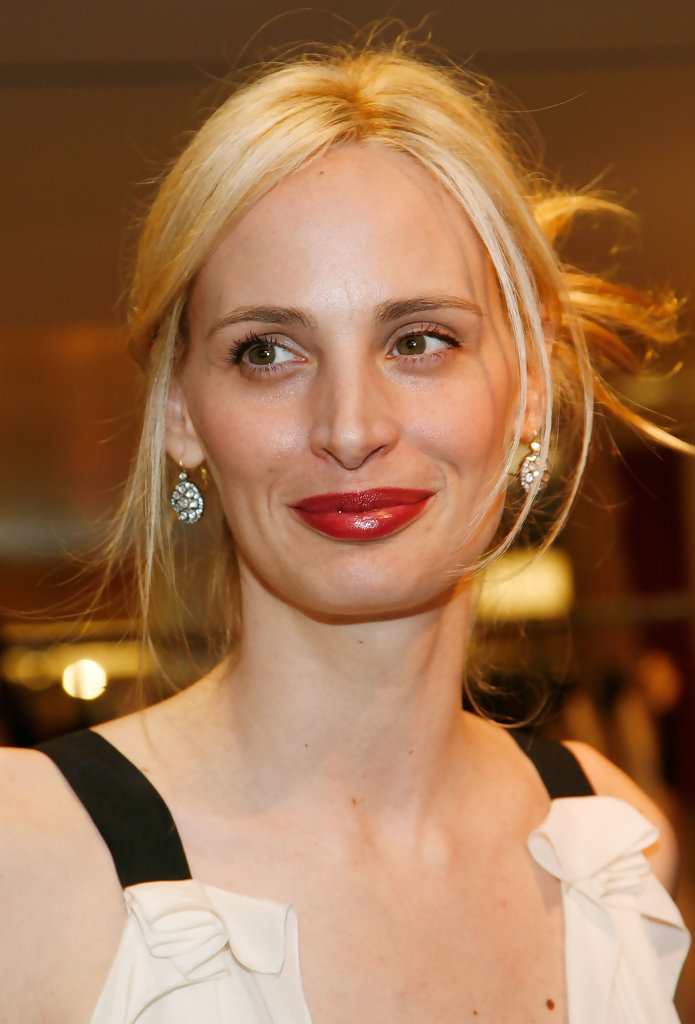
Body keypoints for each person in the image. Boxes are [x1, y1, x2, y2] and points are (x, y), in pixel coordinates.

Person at [0, 40, 690, 1024]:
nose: (351, 427)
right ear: (181, 412)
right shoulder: (25, 857)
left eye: (419, 340)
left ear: (529, 383)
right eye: (267, 351)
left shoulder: (617, 853)